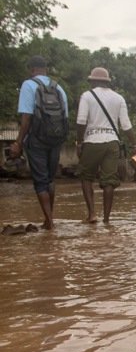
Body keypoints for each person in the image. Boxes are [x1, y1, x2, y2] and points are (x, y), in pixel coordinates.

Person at [9, 55, 70, 229]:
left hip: (36, 140)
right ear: (46, 70)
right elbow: (65, 118)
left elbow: (26, 117)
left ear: (31, 69)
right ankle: (49, 220)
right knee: (50, 180)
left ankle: (49, 221)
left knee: (40, 181)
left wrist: (18, 142)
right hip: (56, 139)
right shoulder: (59, 88)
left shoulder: (28, 85)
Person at [76, 67, 136, 224]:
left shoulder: (86, 96)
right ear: (107, 81)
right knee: (109, 181)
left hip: (91, 142)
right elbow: (126, 125)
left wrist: (79, 142)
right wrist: (135, 144)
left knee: (86, 177)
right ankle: (106, 219)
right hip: (112, 143)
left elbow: (81, 121)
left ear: (94, 81)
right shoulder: (119, 98)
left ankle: (92, 214)